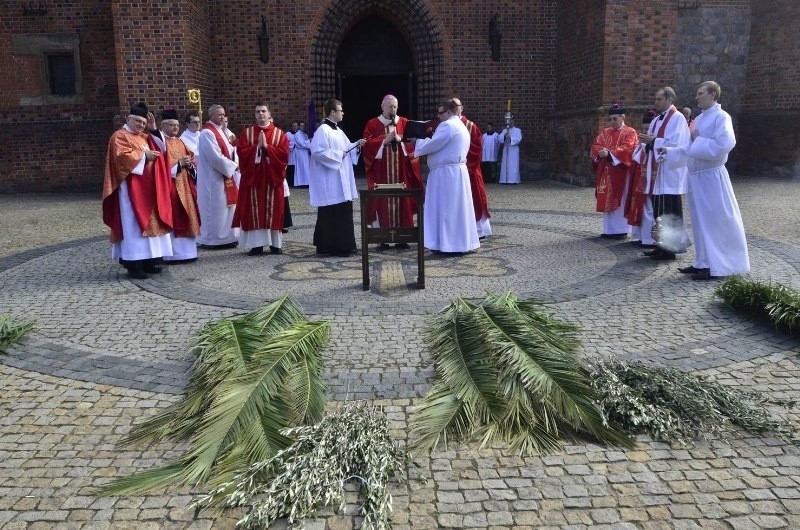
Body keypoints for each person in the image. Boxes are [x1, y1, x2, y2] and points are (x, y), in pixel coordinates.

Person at [660, 81, 749, 281]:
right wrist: (670, 152)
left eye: (700, 93)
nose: (696, 97)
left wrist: (698, 140)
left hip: (711, 176)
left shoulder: (721, 117)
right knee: (700, 222)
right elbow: (688, 147)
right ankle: (702, 262)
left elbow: (724, 144)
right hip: (697, 178)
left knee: (714, 221)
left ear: (713, 95)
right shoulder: (699, 119)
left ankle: (720, 265)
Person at [101, 102, 173, 279]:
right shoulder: (119, 136)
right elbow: (120, 158)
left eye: (143, 122)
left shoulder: (144, 137)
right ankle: (134, 265)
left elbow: (162, 149)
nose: (141, 125)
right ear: (128, 119)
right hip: (130, 193)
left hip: (148, 191)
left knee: (149, 226)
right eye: (138, 122)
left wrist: (154, 129)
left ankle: (149, 261)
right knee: (133, 228)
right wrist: (143, 156)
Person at [409, 100, 479, 254]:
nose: (438, 117)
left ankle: (447, 245)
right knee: (457, 209)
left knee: (445, 209)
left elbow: (433, 144)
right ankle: (460, 243)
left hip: (446, 175)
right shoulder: (461, 125)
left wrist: (417, 143)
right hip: (457, 172)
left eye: (440, 113)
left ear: (448, 112)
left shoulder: (447, 125)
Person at [361, 94, 424, 249]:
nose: (393, 109)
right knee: (380, 201)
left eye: (395, 106)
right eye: (390, 106)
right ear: (382, 107)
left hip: (401, 172)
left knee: (403, 201)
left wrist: (401, 142)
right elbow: (366, 146)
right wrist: (384, 141)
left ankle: (402, 238)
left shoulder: (404, 123)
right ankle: (381, 238)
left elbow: (412, 145)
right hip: (381, 173)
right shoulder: (373, 123)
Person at [637, 87, 691, 260]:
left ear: (669, 99)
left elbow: (678, 144)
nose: (656, 102)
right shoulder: (655, 120)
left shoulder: (678, 118)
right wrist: (645, 143)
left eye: (659, 99)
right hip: (657, 174)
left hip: (668, 173)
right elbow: (652, 142)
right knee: (658, 212)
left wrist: (654, 141)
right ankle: (660, 244)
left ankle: (670, 248)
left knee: (669, 210)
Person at [308, 98, 367, 256]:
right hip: (330, 180)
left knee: (343, 212)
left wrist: (356, 145)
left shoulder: (338, 131)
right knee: (331, 213)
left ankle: (345, 245)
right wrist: (338, 155)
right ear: (332, 112)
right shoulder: (323, 130)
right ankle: (328, 246)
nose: (343, 113)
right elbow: (317, 152)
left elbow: (347, 149)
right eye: (340, 110)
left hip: (341, 179)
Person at [232, 103, 290, 256]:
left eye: (263, 111)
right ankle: (256, 245)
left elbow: (284, 154)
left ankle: (275, 245)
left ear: (269, 113)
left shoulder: (279, 133)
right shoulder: (248, 133)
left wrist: (268, 149)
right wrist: (257, 148)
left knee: (274, 210)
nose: (260, 114)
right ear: (255, 114)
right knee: (254, 210)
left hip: (272, 177)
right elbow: (242, 152)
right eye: (257, 111)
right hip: (254, 178)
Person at [149, 107, 200, 263]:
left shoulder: (180, 141)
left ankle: (188, 253)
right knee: (174, 216)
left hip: (185, 184)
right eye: (172, 125)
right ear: (163, 126)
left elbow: (191, 159)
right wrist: (178, 164)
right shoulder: (159, 142)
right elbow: (158, 165)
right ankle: (173, 254)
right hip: (170, 187)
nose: (175, 128)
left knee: (188, 215)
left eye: (177, 125)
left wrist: (189, 165)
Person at [590, 104, 638, 239]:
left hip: (621, 172)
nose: (612, 122)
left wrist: (610, 154)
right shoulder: (605, 132)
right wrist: (600, 152)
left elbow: (628, 148)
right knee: (606, 198)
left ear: (623, 117)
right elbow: (596, 145)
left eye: (615, 119)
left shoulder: (630, 132)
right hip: (606, 171)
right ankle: (609, 230)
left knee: (620, 199)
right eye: (610, 119)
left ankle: (621, 230)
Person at [196, 104, 239, 248]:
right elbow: (215, 157)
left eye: (223, 114)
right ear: (211, 115)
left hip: (225, 175)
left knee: (226, 208)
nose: (223, 117)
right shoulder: (207, 133)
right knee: (215, 209)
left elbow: (232, 150)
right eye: (219, 114)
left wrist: (235, 162)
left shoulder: (222, 132)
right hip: (213, 177)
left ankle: (227, 236)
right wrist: (233, 166)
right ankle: (213, 239)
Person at [450, 97, 492, 238]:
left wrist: (467, 166)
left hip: (470, 169)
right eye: (452, 106)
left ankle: (479, 230)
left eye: (458, 106)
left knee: (475, 198)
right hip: (453, 170)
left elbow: (477, 147)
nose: (456, 108)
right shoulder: (445, 124)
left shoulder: (470, 126)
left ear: (462, 108)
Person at [628, 109, 658, 248]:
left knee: (649, 209)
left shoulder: (654, 144)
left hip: (651, 181)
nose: (645, 132)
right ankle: (640, 236)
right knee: (639, 207)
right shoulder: (641, 144)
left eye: (648, 129)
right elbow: (634, 158)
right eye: (643, 129)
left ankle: (649, 239)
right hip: (640, 181)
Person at [498, 118, 522, 184]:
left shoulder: (517, 130)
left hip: (513, 149)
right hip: (506, 148)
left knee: (513, 165)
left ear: (513, 122)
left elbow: (519, 139)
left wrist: (511, 138)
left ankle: (513, 180)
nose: (510, 123)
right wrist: (505, 137)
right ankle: (504, 180)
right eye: (509, 122)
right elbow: (499, 138)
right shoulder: (505, 130)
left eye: (511, 122)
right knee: (506, 164)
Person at [292, 121, 312, 187]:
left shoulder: (305, 135)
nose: (302, 127)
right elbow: (302, 144)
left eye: (303, 126)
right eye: (301, 126)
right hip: (300, 153)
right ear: (299, 127)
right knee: (301, 167)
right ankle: (301, 183)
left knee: (306, 167)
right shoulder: (297, 134)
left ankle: (306, 182)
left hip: (306, 153)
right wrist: (309, 140)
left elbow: (308, 145)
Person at [285, 121, 298, 187]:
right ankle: (290, 183)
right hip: (290, 153)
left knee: (296, 168)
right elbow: (286, 143)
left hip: (297, 154)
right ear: (291, 126)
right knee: (290, 167)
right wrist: (293, 145)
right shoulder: (288, 134)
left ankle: (295, 182)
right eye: (293, 125)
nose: (295, 127)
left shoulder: (299, 134)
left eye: (296, 125)